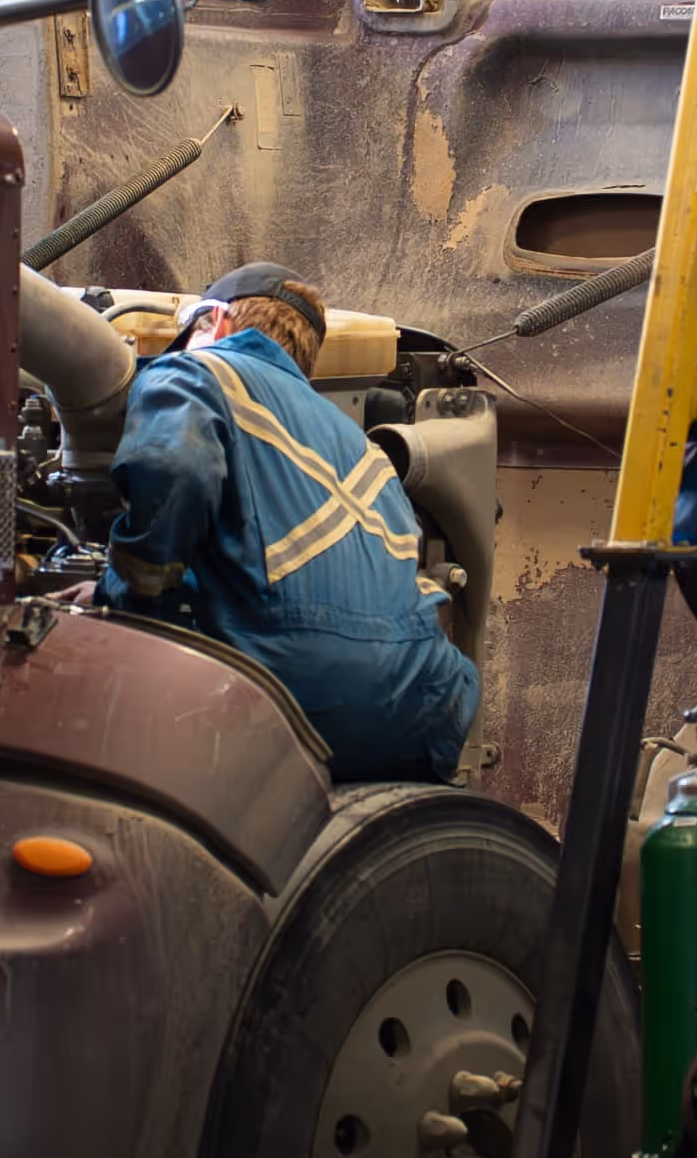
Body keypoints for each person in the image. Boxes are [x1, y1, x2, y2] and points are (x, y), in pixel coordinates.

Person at [104, 262, 479, 783]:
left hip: (285, 694)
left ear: (214, 320)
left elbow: (173, 470)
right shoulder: (366, 450)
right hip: (423, 703)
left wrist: (122, 600)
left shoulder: (198, 372)